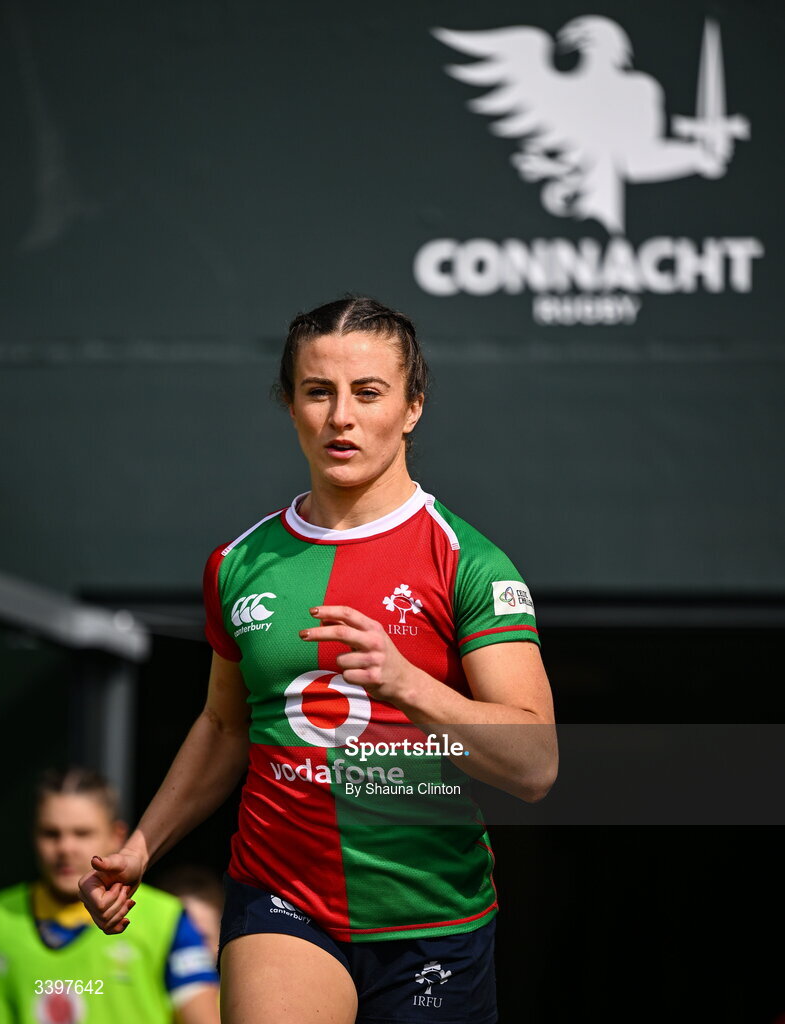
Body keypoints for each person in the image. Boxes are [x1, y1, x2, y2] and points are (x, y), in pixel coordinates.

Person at [78, 296, 558, 1024]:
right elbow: (223, 727)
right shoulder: (239, 562)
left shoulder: (468, 562)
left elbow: (534, 766)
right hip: (282, 896)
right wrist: (142, 846)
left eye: (368, 392)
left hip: (432, 917)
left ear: (412, 407)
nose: (341, 416)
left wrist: (406, 684)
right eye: (317, 391)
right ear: (290, 403)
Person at [0, 767, 220, 1024]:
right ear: (33, 836)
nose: (65, 848)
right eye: (51, 834)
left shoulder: (166, 919)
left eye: (82, 833)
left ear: (116, 836)